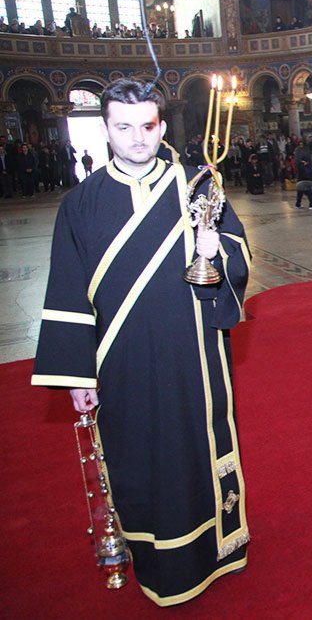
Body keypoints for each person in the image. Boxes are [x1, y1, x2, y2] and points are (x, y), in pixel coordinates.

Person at [30, 79, 250, 605]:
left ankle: (216, 550)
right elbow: (66, 287)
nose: (137, 138)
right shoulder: (81, 203)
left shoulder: (197, 186)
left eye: (147, 126)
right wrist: (77, 374)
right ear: (105, 129)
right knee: (140, 455)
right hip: (122, 359)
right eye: (123, 127)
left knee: (195, 448)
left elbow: (237, 260)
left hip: (192, 351)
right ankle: (158, 560)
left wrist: (215, 252)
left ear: (162, 126)